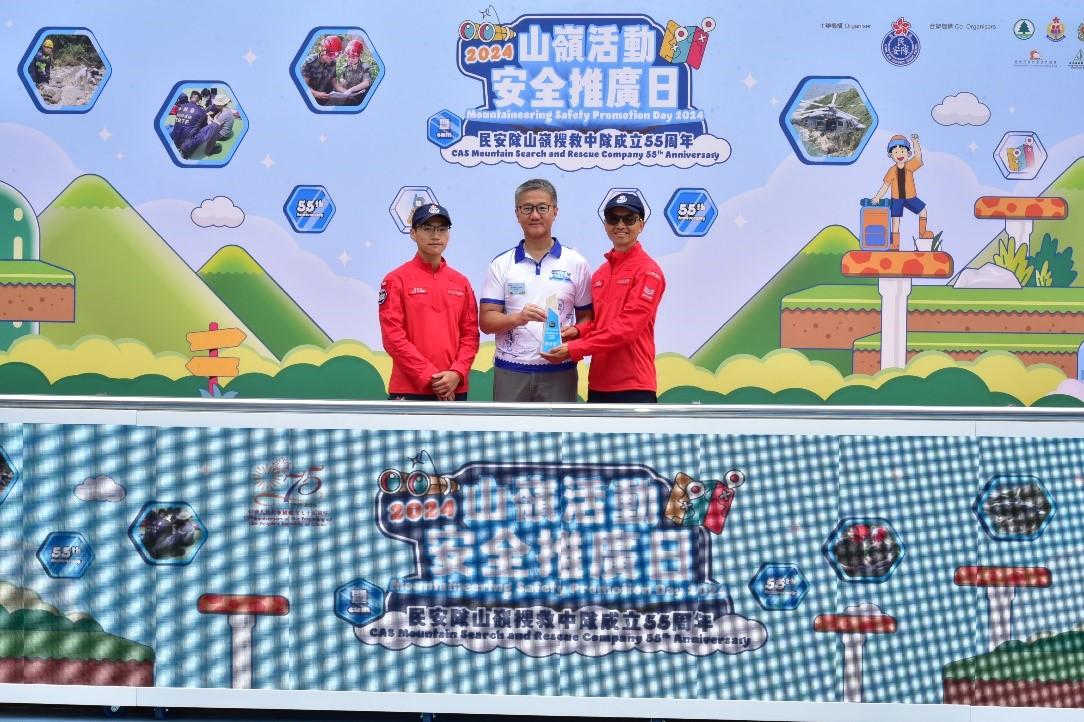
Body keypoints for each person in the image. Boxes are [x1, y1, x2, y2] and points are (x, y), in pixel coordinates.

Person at [541, 194, 665, 403]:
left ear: (641, 225)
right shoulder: (600, 274)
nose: (620, 225)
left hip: (633, 386)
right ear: (605, 225)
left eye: (629, 219)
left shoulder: (648, 272)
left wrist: (575, 348)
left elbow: (627, 329)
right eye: (613, 218)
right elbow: (601, 324)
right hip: (599, 384)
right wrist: (577, 331)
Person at [479, 179, 592, 402]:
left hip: (560, 370)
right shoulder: (502, 264)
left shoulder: (576, 263)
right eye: (527, 208)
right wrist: (518, 318)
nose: (535, 215)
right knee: (509, 436)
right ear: (517, 213)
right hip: (510, 371)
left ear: (555, 211)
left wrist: (576, 333)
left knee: (558, 436)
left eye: (542, 207)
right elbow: (486, 322)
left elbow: (588, 319)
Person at [379, 203, 479, 401]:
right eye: (427, 228)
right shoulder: (395, 280)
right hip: (410, 389)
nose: (436, 235)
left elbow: (470, 336)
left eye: (442, 229)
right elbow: (393, 338)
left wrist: (457, 373)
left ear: (448, 235)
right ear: (413, 233)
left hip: (454, 388)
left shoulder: (461, 282)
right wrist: (429, 377)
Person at [871, 134, 935, 249]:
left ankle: (922, 233)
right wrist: (877, 197)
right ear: (891, 155)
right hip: (897, 199)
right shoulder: (891, 170)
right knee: (895, 221)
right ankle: (895, 245)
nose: (899, 154)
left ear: (908, 153)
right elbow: (885, 186)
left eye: (902, 151)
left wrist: (915, 142)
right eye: (895, 152)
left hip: (910, 197)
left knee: (923, 211)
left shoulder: (910, 165)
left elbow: (919, 157)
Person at [301, 35, 341, 105]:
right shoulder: (309, 62)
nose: (333, 58)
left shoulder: (333, 63)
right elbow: (303, 85)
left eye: (336, 54)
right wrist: (316, 94)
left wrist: (347, 92)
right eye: (331, 54)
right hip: (309, 98)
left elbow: (335, 84)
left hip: (326, 97)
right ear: (323, 50)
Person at [169, 94, 209, 160]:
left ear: (190, 98)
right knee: (205, 131)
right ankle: (185, 151)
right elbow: (204, 127)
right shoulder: (202, 111)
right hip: (186, 142)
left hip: (174, 137)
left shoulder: (181, 107)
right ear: (199, 101)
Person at [337, 38, 372, 106]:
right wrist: (342, 82)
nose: (351, 59)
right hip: (350, 96)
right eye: (349, 57)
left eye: (353, 57)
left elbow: (366, 82)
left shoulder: (365, 66)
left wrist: (352, 89)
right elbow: (342, 80)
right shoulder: (345, 67)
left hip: (363, 96)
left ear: (359, 56)